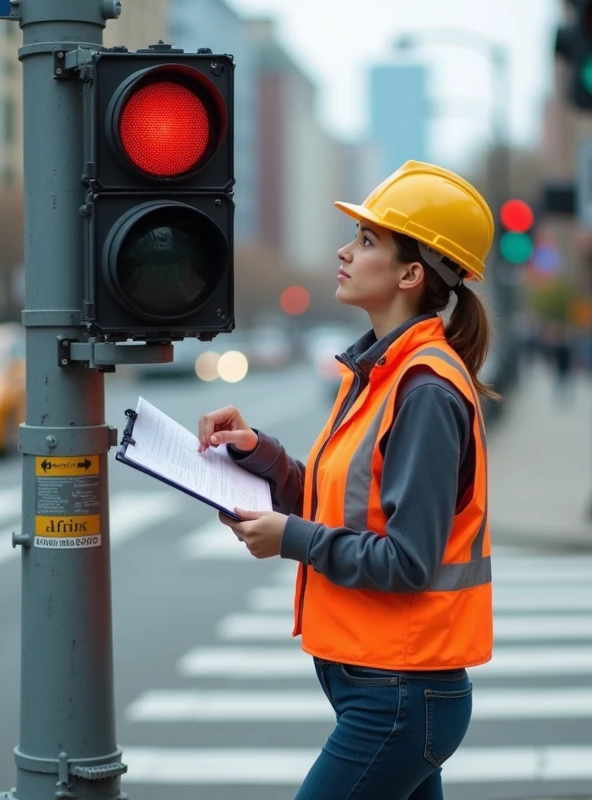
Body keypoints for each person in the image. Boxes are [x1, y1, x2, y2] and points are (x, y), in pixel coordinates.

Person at [198, 160, 496, 799]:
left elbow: (409, 560)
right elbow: (345, 502)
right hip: (383, 684)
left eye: (366, 241)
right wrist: (260, 457)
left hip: (399, 692)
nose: (344, 249)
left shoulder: (424, 392)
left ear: (411, 275)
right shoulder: (380, 375)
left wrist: (291, 538)